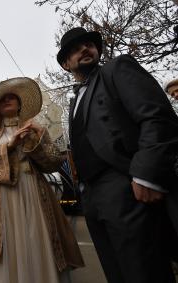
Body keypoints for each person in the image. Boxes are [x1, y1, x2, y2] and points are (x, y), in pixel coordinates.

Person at [57, 27, 178, 283]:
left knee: (143, 272)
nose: (84, 49)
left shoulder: (117, 68)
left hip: (125, 186)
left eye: (89, 44)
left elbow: (157, 117)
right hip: (90, 196)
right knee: (116, 272)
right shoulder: (74, 101)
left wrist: (146, 175)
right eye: (74, 49)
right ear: (66, 64)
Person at [0, 77, 84, 283]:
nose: (7, 100)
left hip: (33, 190)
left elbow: (52, 163)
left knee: (36, 236)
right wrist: (9, 145)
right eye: (2, 99)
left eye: (11, 98)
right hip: (2, 197)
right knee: (7, 241)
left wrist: (37, 141)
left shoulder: (36, 130)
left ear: (19, 105)